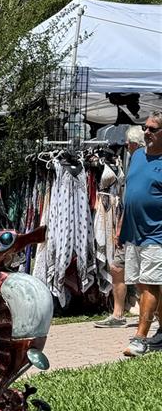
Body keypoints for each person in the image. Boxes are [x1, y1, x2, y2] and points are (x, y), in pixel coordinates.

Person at [119, 110, 162, 357]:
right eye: (145, 128)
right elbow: (131, 193)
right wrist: (121, 226)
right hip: (133, 233)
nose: (146, 132)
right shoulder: (136, 157)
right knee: (143, 283)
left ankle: (140, 338)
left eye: (152, 129)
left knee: (151, 285)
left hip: (157, 233)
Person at [94, 125, 144, 327]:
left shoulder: (146, 161)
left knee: (143, 275)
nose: (125, 145)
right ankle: (118, 314)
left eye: (128, 142)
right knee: (116, 267)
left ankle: (150, 315)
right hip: (129, 226)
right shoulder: (134, 162)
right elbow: (129, 199)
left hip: (145, 230)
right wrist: (120, 227)